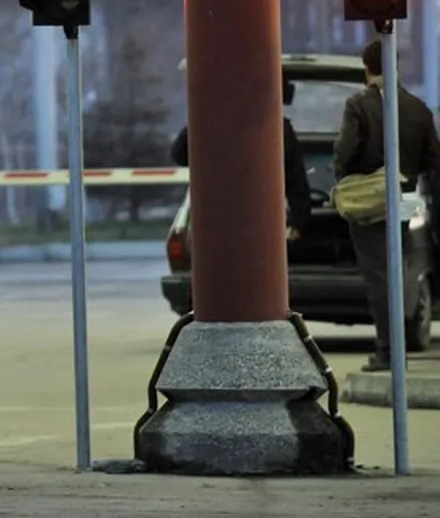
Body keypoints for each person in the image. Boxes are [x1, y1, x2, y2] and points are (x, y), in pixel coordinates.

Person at [333, 40, 440, 372]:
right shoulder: (418, 108)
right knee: (403, 271)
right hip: (404, 200)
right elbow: (433, 158)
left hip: (370, 204)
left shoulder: (359, 105)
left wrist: (347, 176)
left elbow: (344, 153)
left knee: (378, 275)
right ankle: (402, 340)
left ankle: (387, 350)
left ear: (367, 69)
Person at [170, 80, 312, 238]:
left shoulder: (211, 122)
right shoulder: (277, 128)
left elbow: (179, 155)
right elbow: (296, 179)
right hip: (260, 219)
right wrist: (298, 222)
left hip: (217, 219)